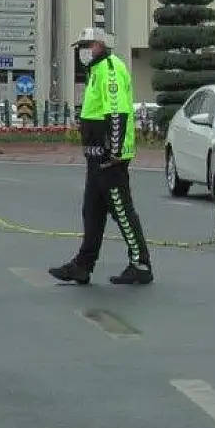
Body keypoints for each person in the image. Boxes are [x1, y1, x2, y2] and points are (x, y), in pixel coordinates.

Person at [49, 27, 153, 286]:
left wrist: (115, 151)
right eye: (81, 46)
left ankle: (140, 264)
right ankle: (83, 265)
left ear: (100, 44)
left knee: (121, 210)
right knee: (92, 211)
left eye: (87, 45)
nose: (83, 51)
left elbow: (117, 113)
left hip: (109, 158)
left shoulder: (109, 69)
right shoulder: (95, 71)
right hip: (96, 157)